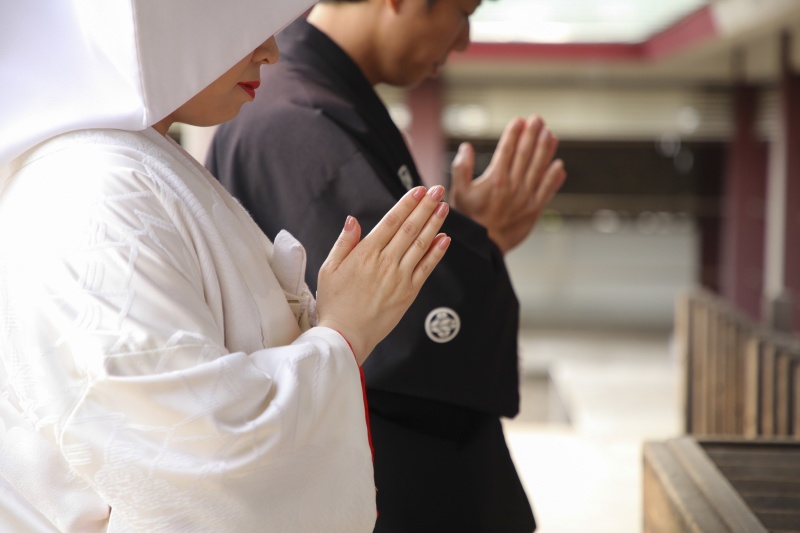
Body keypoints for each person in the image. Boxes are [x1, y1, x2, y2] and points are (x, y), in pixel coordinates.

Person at [0, 1, 452, 531]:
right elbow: (196, 454)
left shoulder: (124, 166)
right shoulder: (93, 189)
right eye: (238, 26)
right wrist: (342, 333)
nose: (269, 50)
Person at [206, 0, 567, 531]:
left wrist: (465, 236)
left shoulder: (319, 97)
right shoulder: (298, 121)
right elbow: (401, 327)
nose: (464, 39)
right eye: (462, 11)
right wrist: (476, 245)